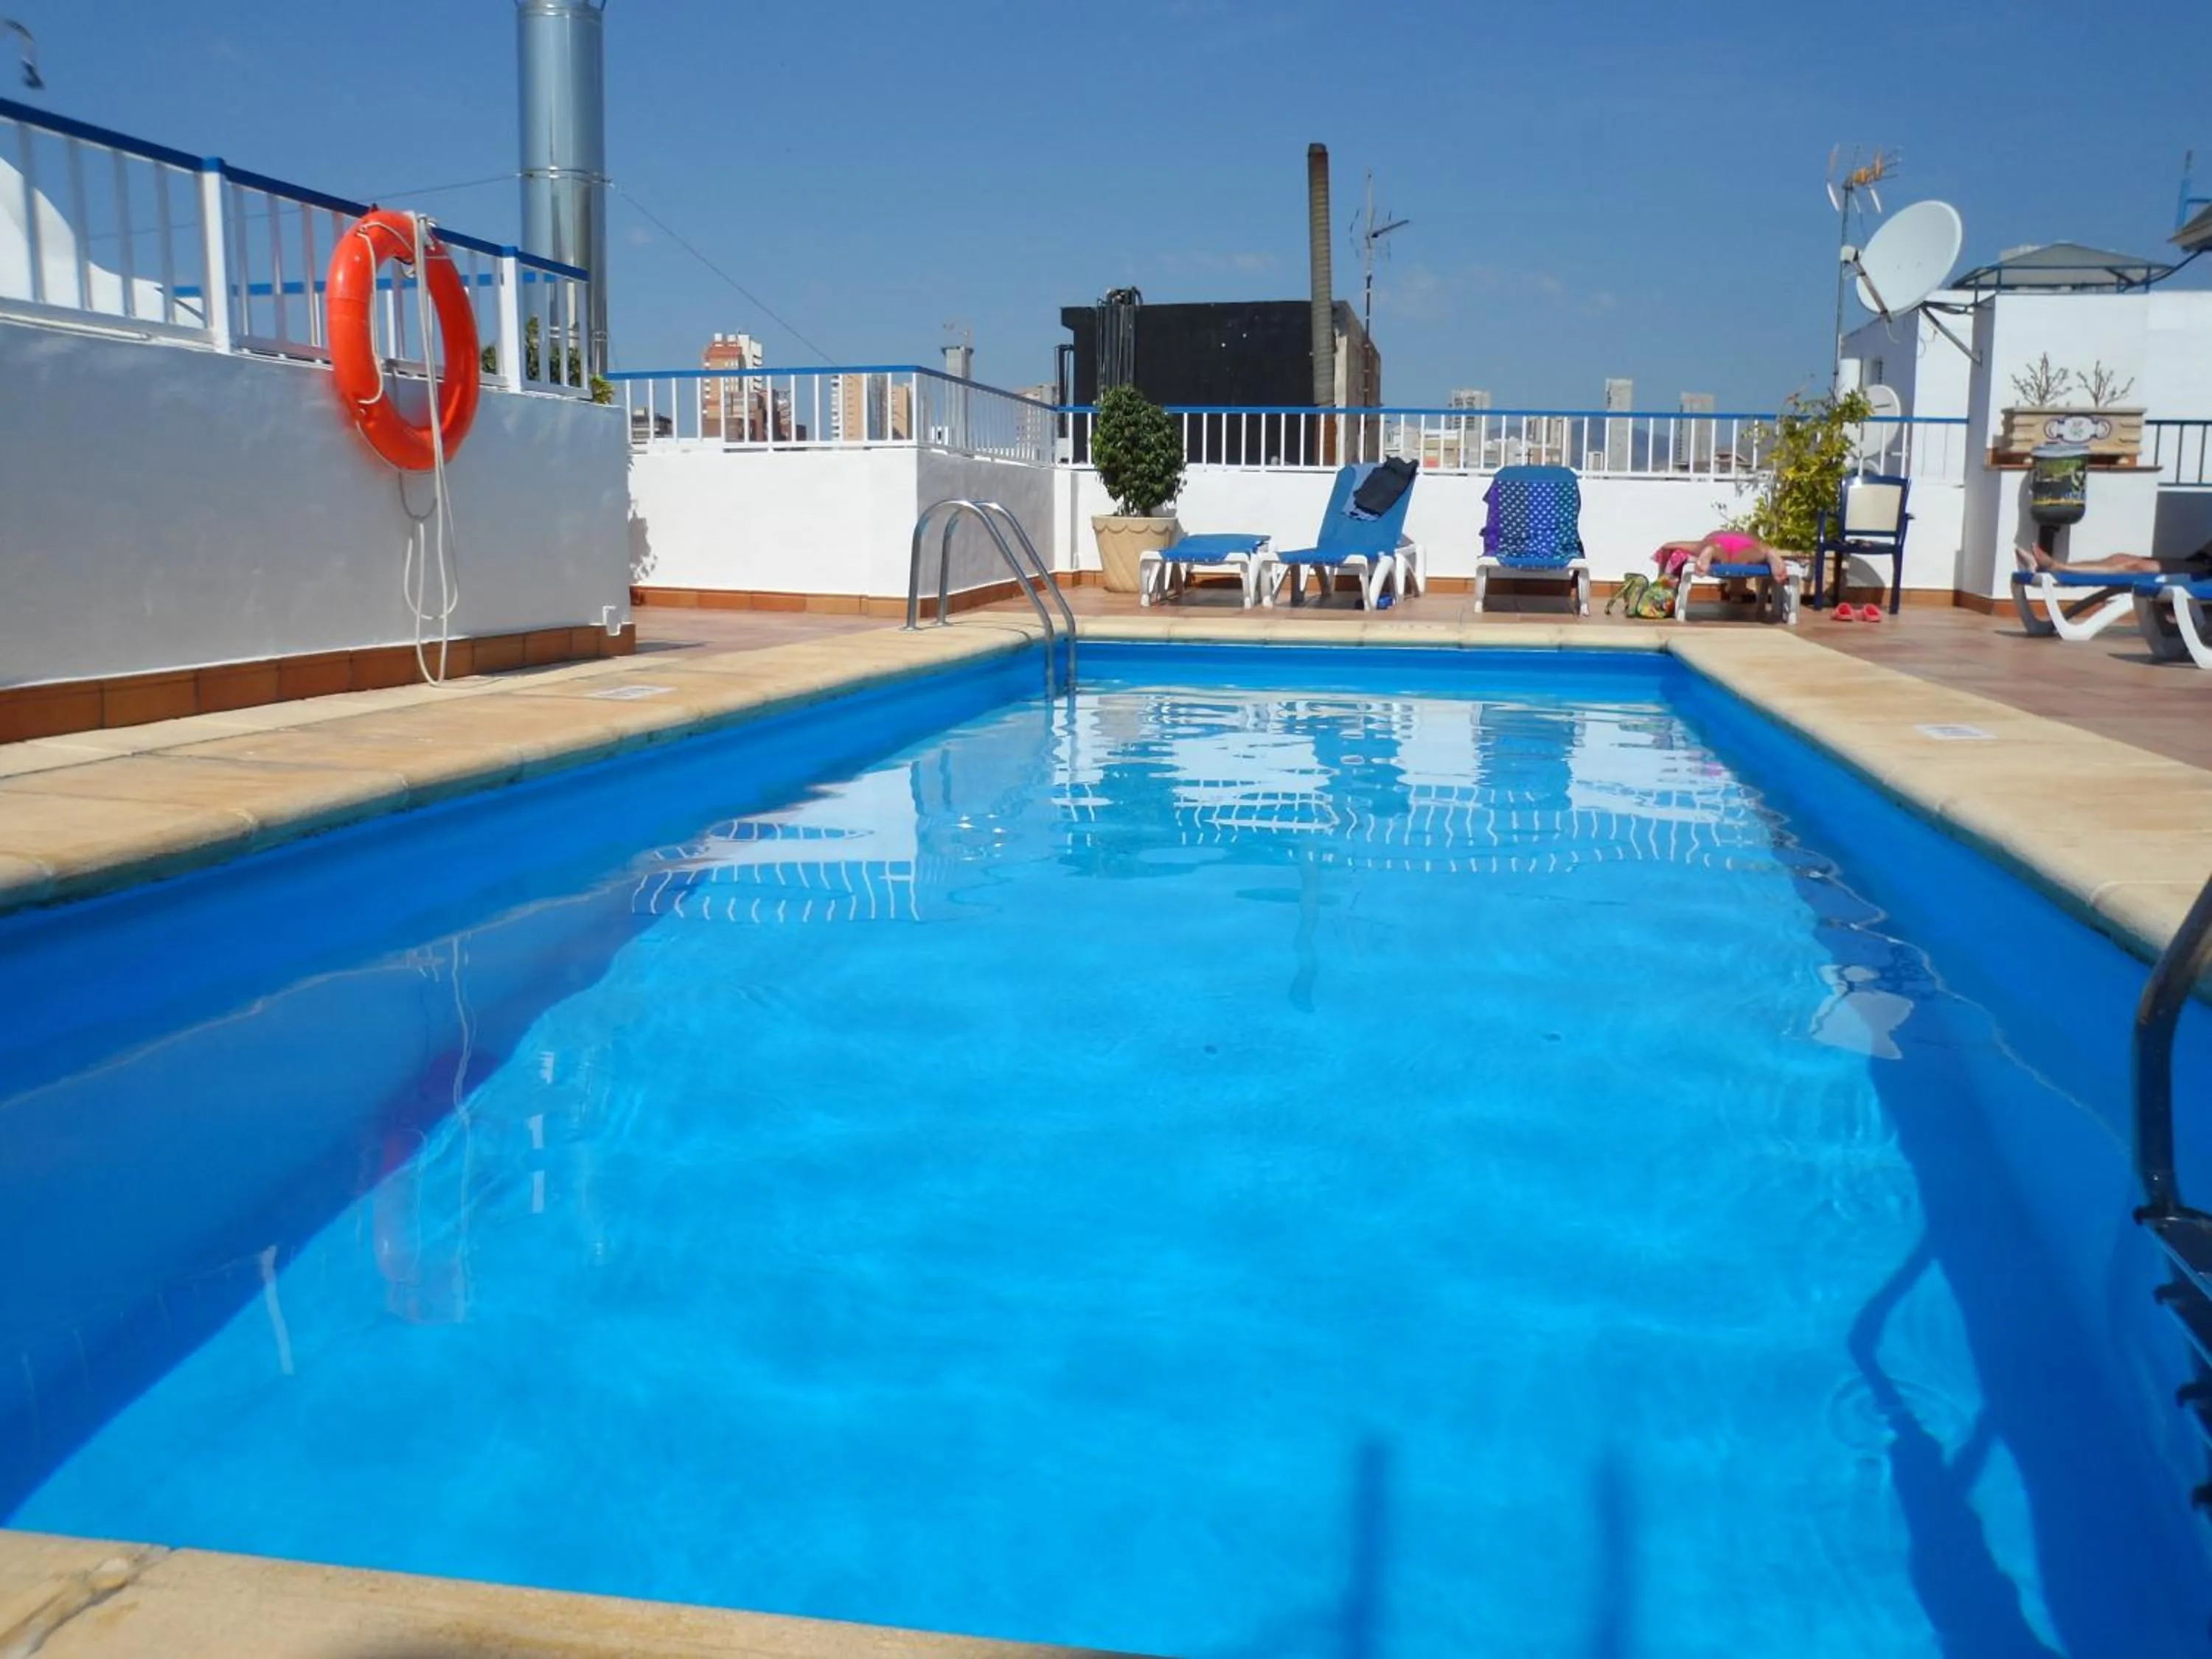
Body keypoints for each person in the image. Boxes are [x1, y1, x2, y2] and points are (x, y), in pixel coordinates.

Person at [1654, 529, 1788, 585]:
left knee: (1715, 550)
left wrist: (1661, 576)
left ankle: (1712, 551)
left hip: (1716, 541)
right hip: (1747, 542)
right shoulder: (1746, 536)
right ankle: (1769, 554)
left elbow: (1667, 547)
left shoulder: (1712, 537)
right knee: (1755, 554)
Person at [2014, 540, 2212, 577]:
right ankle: (2048, 567)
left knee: (2137, 566)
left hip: (2204, 572)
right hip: (2199, 563)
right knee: (2120, 558)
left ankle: (2056, 567)